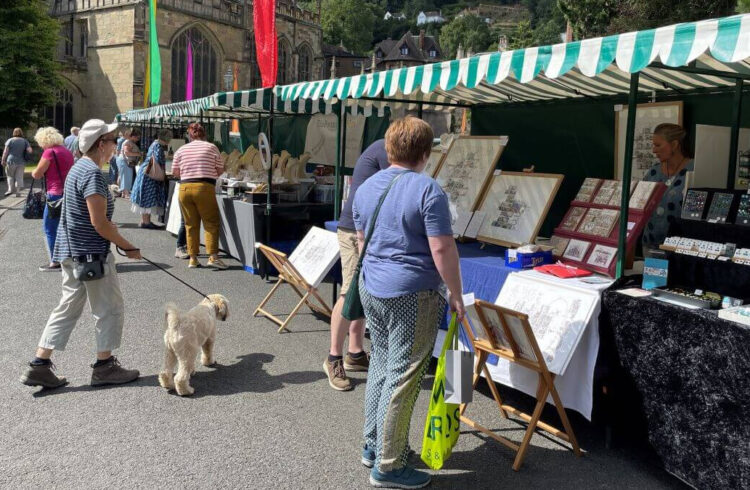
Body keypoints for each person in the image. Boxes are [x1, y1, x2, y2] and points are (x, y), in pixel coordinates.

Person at [352, 117, 464, 489]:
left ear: (388, 148)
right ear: (426, 152)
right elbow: (442, 247)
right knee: (403, 376)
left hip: (373, 286)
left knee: (383, 367)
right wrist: (457, 295)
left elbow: (360, 237)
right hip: (411, 292)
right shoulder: (427, 190)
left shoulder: (366, 187)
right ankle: (388, 463)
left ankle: (375, 445)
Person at [20, 119, 143, 390]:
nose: (115, 145)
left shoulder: (79, 168)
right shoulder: (93, 173)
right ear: (101, 144)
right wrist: (128, 246)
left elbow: (90, 219)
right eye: (113, 141)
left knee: (67, 308)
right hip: (90, 254)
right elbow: (98, 223)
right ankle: (105, 366)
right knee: (109, 308)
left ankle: (39, 365)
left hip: (71, 251)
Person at [323, 139, 389, 391]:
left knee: (361, 288)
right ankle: (333, 358)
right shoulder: (387, 150)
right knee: (349, 290)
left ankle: (355, 352)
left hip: (364, 227)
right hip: (354, 228)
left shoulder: (383, 148)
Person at [171, 122, 227, 269]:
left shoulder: (181, 149)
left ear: (189, 135)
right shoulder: (211, 147)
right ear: (204, 134)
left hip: (184, 188)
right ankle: (213, 256)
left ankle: (193, 258)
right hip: (204, 187)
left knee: (190, 224)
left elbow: (175, 172)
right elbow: (220, 169)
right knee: (210, 222)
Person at [642, 123, 694, 250]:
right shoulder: (653, 173)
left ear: (675, 145)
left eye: (658, 145)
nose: (654, 150)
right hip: (650, 245)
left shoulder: (693, 172)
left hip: (680, 249)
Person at [31, 127, 75, 272]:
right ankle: (69, 256)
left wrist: (33, 172)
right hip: (69, 193)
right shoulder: (66, 151)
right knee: (67, 227)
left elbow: (37, 174)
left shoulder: (49, 152)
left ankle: (55, 261)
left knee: (50, 228)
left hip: (55, 194)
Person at [131, 129, 171, 229]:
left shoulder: (154, 144)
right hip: (150, 174)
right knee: (148, 197)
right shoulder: (158, 146)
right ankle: (146, 222)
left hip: (146, 173)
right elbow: (156, 160)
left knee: (145, 197)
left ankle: (145, 220)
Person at [2, 128, 32, 197]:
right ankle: (18, 192)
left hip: (11, 161)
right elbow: (30, 150)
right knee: (19, 177)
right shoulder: (25, 141)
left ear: (14, 133)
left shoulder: (10, 140)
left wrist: (3, 160)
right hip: (21, 162)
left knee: (10, 176)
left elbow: (5, 152)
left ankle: (10, 190)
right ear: (21, 133)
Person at [117, 128, 141, 199]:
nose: (138, 139)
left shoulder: (130, 142)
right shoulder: (127, 142)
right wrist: (138, 154)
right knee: (126, 177)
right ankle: (126, 193)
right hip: (125, 161)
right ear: (133, 136)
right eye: (137, 137)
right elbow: (127, 152)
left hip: (126, 162)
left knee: (127, 176)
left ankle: (124, 193)